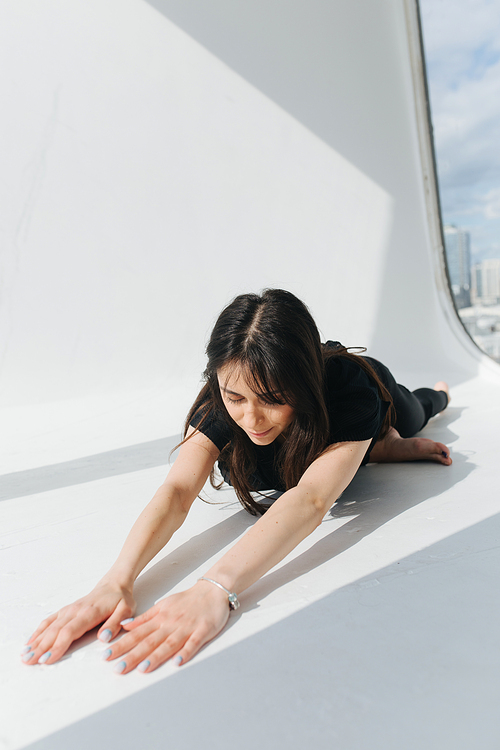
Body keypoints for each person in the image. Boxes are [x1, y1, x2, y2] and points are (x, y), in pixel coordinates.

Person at [21, 289, 451, 674]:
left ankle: (403, 422)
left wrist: (215, 589)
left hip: (368, 408)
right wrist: (115, 581)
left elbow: (313, 497)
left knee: (417, 413)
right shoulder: (219, 406)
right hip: (312, 448)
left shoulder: (348, 389)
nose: (251, 418)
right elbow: (176, 491)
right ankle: (373, 448)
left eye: (272, 399)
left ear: (301, 384)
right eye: (236, 398)